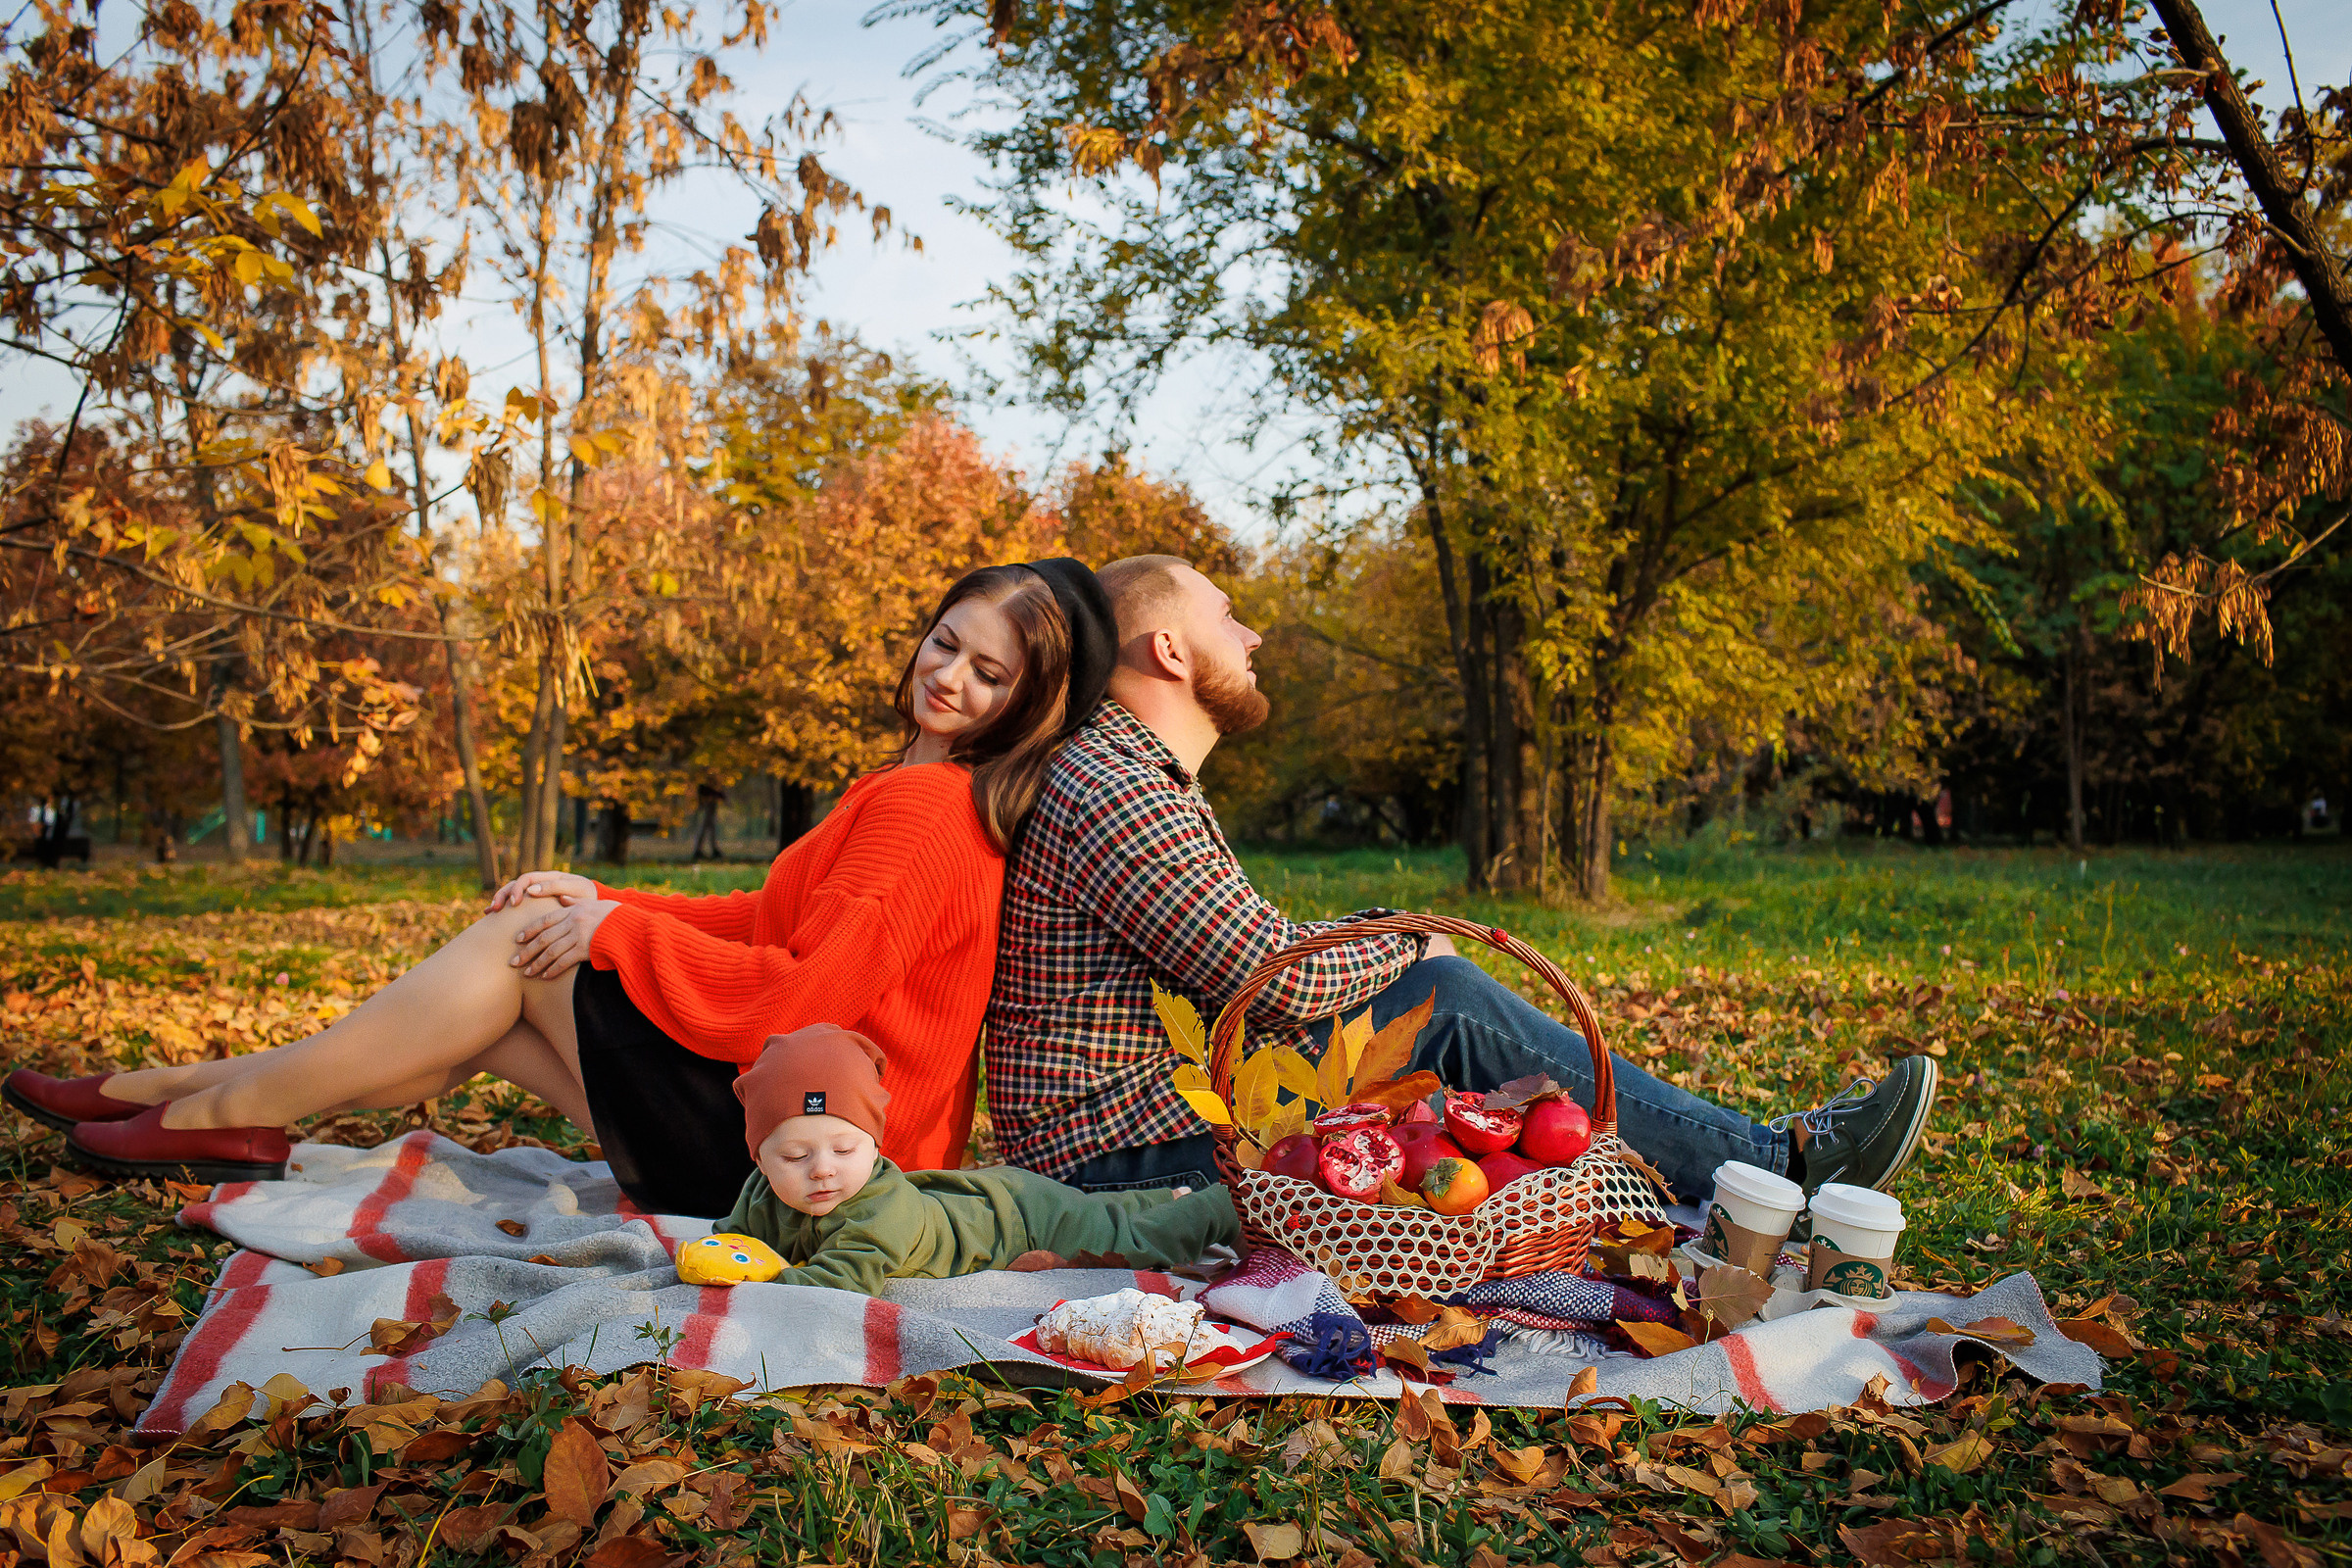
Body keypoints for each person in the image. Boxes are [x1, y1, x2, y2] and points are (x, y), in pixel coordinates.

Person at [6, 560, 1119, 1217]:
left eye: (989, 672)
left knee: (518, 949)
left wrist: (609, 927)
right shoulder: (909, 787)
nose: (948, 675)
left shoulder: (929, 810)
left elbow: (794, 995)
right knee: (491, 1007)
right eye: (945, 641)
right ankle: (172, 1091)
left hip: (815, 1154)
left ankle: (223, 1111)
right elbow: (765, 921)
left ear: (1027, 704)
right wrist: (602, 895)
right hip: (800, 1135)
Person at [985, 554, 1940, 1202]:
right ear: (1168, 650)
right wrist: (1410, 943)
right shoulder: (1114, 786)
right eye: (1228, 617)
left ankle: (1699, 1171)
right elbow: (1269, 982)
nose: (1255, 635)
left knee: (1431, 997)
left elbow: (1256, 958)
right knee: (1442, 999)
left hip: (1163, 1115)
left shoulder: (1129, 775)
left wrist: (1397, 933)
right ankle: (1783, 1163)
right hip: (1122, 1158)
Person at [715, 1023, 1239, 1295]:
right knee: (1103, 1212)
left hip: (1021, 1220)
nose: (822, 1168)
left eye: (844, 1149)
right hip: (985, 1198)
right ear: (760, 1159)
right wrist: (717, 1255)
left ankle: (1231, 1202)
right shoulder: (763, 1192)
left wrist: (749, 1279)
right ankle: (1165, 1197)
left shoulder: (878, 1213)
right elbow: (731, 1238)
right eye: (794, 1155)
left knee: (1130, 1240)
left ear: (875, 1146)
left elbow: (838, 1284)